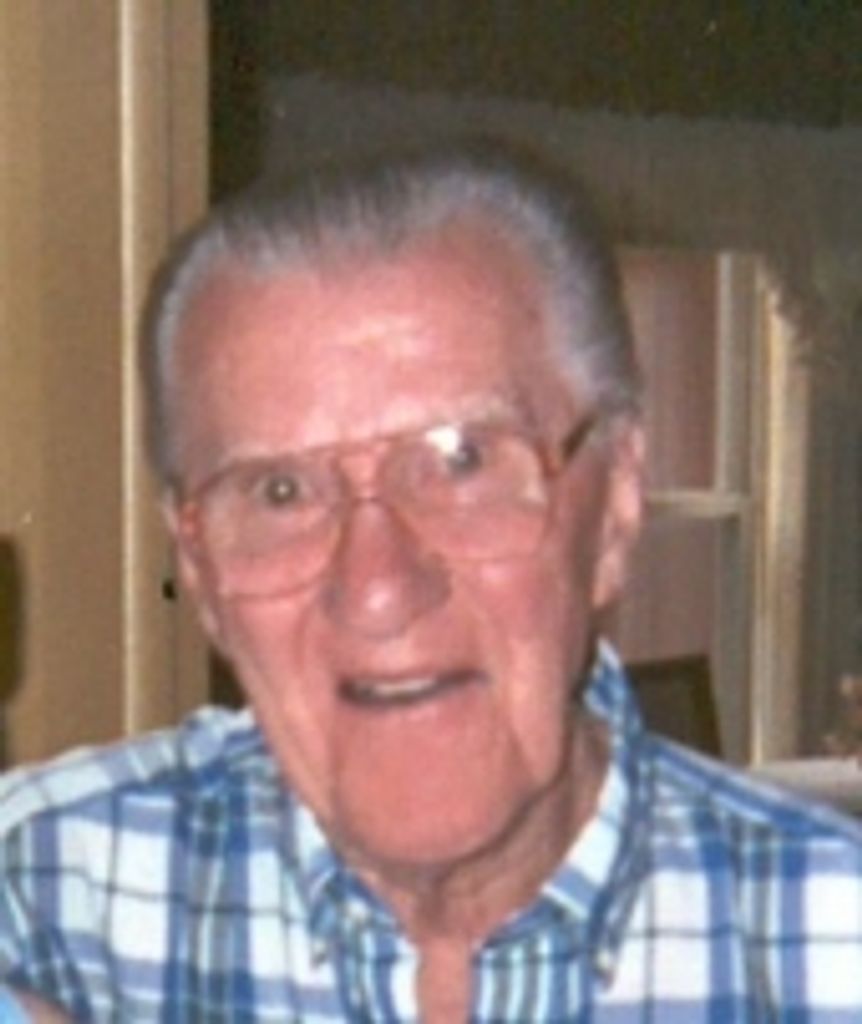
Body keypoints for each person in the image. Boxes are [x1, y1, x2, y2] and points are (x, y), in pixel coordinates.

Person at [2, 141, 862, 1023]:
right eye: (280, 491)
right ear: (199, 570)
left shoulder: (835, 947)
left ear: (614, 504)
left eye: (461, 461)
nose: (377, 588)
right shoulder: (44, 888)